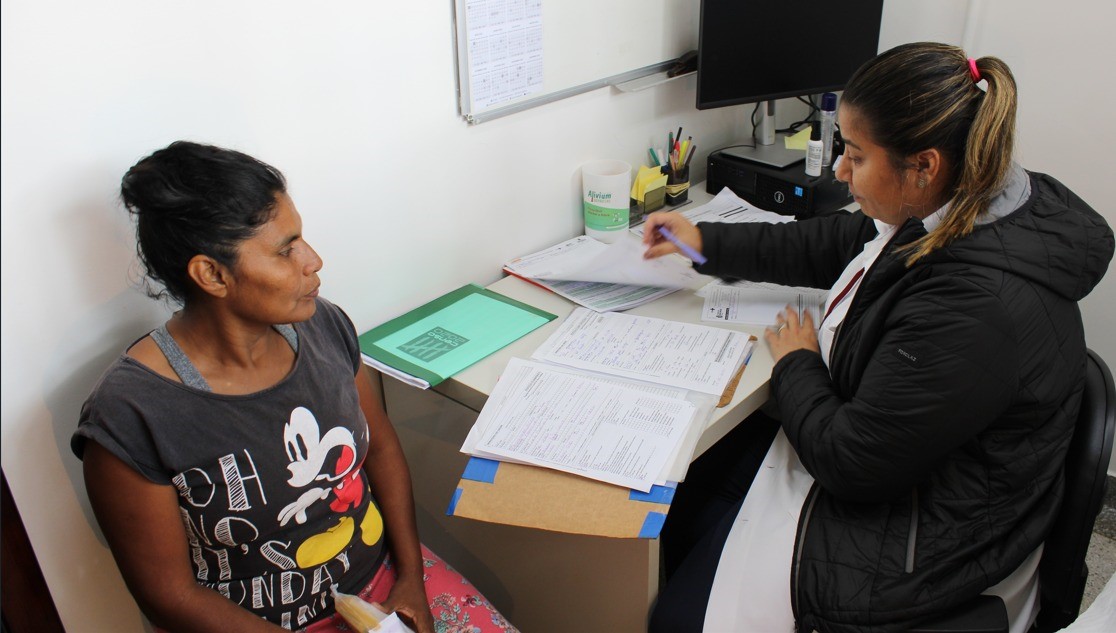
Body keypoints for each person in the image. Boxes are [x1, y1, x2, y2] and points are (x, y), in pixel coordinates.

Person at [642, 42, 1113, 632]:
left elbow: (853, 465)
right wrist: (704, 242)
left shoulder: (977, 307)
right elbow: (831, 244)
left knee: (677, 620)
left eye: (856, 156)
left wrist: (797, 362)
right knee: (680, 497)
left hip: (927, 536)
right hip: (916, 463)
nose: (840, 170)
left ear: (924, 165)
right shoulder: (961, 199)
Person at [71, 141, 517, 633]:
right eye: (285, 251)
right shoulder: (132, 413)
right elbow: (168, 594)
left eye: (301, 239)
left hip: (385, 588)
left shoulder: (322, 327)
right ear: (212, 275)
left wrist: (411, 577)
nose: (314, 260)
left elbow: (381, 448)